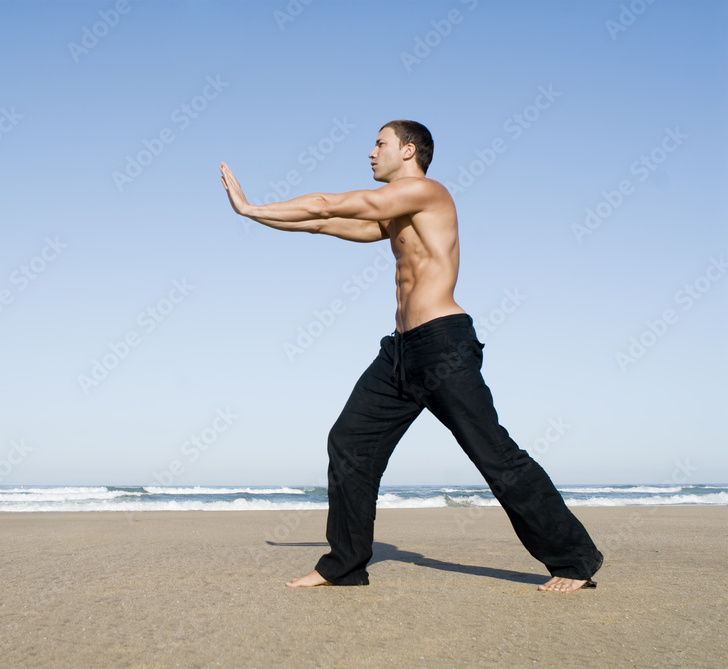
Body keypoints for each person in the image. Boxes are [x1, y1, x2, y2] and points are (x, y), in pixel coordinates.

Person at [219, 120, 604, 593]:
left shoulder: (428, 192)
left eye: (379, 143)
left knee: (494, 455)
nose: (370, 152)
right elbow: (323, 222)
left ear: (407, 150)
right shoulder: (397, 216)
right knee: (349, 441)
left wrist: (250, 203)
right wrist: (255, 217)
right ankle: (345, 563)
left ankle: (573, 560)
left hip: (444, 346)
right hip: (400, 353)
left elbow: (327, 202)